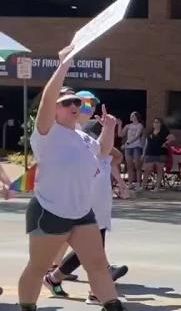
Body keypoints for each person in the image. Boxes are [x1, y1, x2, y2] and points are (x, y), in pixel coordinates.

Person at [15, 45, 148, 311]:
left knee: (98, 264)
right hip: (50, 212)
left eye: (76, 101)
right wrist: (63, 65)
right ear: (54, 109)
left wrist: (110, 128)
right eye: (67, 102)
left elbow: (102, 153)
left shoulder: (80, 136)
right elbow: (49, 98)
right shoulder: (46, 133)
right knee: (37, 267)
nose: (73, 105)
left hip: (80, 211)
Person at [45, 118, 130, 300]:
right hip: (85, 207)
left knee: (88, 250)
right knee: (93, 250)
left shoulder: (103, 155)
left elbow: (116, 158)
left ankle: (54, 278)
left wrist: (122, 184)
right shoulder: (80, 155)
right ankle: (96, 290)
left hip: (101, 208)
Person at [141, 118, 173, 190]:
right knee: (147, 170)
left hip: (160, 153)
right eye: (154, 122)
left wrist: (166, 143)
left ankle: (157, 186)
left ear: (161, 124)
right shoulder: (150, 132)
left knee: (159, 170)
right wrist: (143, 153)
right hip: (150, 152)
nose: (156, 124)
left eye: (157, 122)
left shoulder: (164, 132)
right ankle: (143, 186)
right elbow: (146, 143)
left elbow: (172, 138)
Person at [120, 111, 146, 188]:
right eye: (130, 115)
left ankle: (138, 183)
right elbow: (120, 134)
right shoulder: (128, 126)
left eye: (132, 115)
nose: (131, 117)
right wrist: (119, 124)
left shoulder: (140, 125)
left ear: (136, 117)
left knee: (137, 165)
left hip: (136, 146)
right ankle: (130, 183)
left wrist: (128, 143)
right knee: (129, 165)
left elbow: (137, 136)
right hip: (128, 148)